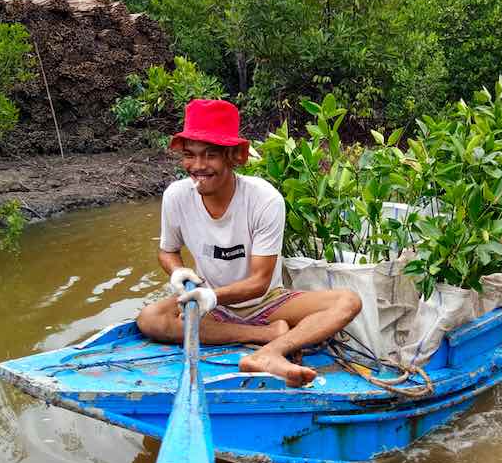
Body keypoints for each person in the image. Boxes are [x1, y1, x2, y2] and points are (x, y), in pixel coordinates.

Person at [136, 99, 362, 387]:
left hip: (266, 302)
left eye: (210, 155)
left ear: (233, 157)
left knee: (348, 301)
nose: (198, 166)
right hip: (212, 304)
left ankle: (270, 353)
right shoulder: (176, 196)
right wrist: (179, 273)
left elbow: (259, 281)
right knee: (149, 318)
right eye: (190, 155)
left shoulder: (264, 200)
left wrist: (213, 296)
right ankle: (263, 335)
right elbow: (168, 251)